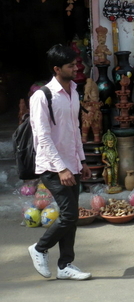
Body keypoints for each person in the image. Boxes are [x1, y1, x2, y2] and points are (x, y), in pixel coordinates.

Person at [28, 44, 92, 280]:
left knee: (71, 218)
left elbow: (74, 130)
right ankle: (39, 248)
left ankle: (65, 265)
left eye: (76, 64)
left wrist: (81, 161)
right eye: (70, 65)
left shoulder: (74, 91)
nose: (76, 68)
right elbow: (42, 136)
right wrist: (62, 167)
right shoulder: (42, 96)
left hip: (71, 164)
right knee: (69, 215)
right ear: (57, 69)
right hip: (53, 167)